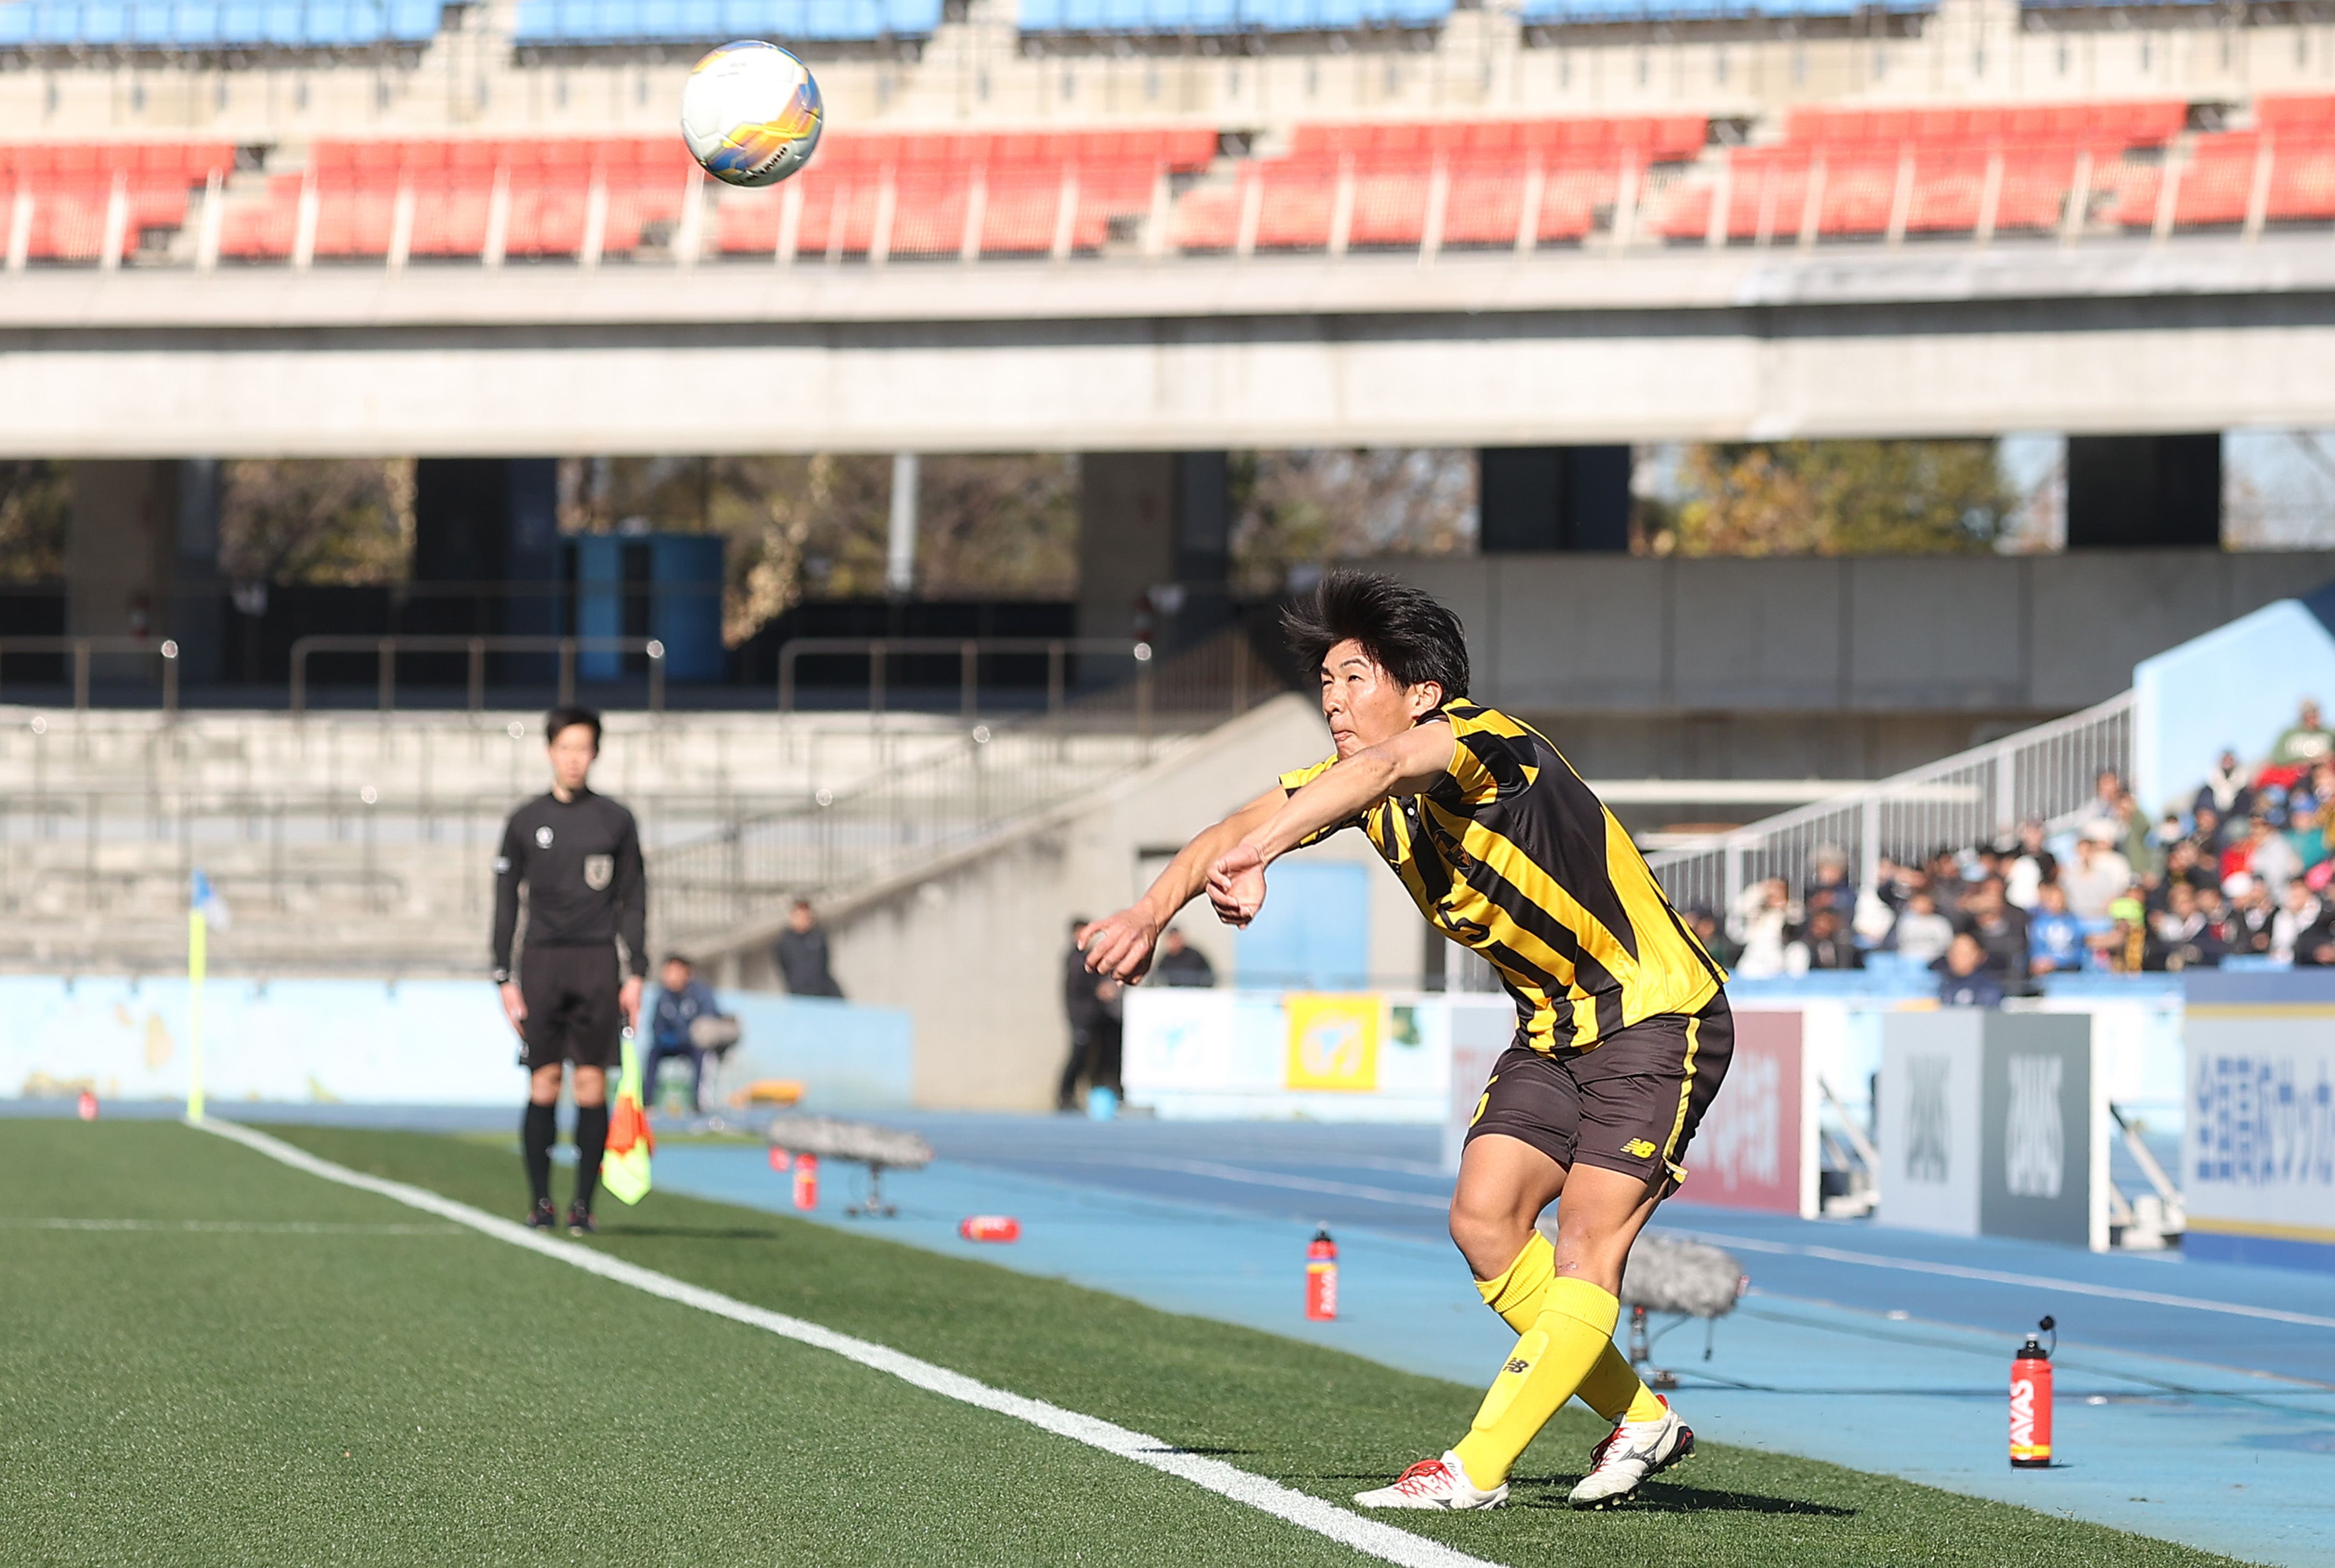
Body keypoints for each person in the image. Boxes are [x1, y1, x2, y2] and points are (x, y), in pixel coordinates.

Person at [1078, 571, 1731, 1513]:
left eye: (1352, 676)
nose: (1331, 697)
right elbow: (1235, 822)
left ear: (1421, 692)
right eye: (1327, 681)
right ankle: (1642, 1420)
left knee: (1589, 1246)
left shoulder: (1485, 739)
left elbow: (1372, 775)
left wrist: (1260, 856)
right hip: (1551, 1028)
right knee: (1484, 1219)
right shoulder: (1356, 784)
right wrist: (1150, 908)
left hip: (1656, 1014)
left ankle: (1473, 1467)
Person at [492, 705, 647, 1237]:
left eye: (583, 748)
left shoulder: (615, 820)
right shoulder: (525, 820)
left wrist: (636, 969)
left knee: (589, 1084)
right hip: (541, 961)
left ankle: (583, 1204)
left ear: (596, 753)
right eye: (565, 748)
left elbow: (633, 897)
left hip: (597, 961)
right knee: (544, 1079)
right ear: (549, 751)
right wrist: (502, 974)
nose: (574, 758)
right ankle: (540, 1202)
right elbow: (506, 901)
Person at [644, 954, 725, 1115]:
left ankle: (699, 1105)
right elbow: (656, 1025)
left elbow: (709, 1022)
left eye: (675, 972)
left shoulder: (701, 994)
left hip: (694, 1045)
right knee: (653, 1053)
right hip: (672, 1045)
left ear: (687, 973)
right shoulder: (663, 996)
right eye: (668, 972)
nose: (671, 977)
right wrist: (665, 1039)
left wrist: (689, 1036)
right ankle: (647, 1102)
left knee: (702, 1056)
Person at [1057, 916, 1109, 1111]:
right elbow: (1078, 986)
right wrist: (1098, 989)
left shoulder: (1087, 955)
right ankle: (1065, 1094)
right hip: (1080, 1015)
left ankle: (1078, 1095)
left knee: (1091, 1056)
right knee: (1078, 1055)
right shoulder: (1076, 958)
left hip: (1091, 1014)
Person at [773, 899, 843, 998]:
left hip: (822, 993)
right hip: (800, 996)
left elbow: (825, 963)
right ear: (792, 917)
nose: (803, 920)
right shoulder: (784, 942)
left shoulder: (818, 937)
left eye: (806, 917)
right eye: (799, 916)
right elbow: (784, 968)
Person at [2060, 824, 2132, 919]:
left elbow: (2118, 890)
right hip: (2079, 916)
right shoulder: (2071, 870)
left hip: (2105, 913)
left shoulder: (2115, 864)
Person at [2026, 882, 2085, 977]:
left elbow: (2078, 951)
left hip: (2068, 970)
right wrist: (2039, 961)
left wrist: (2056, 962)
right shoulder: (2037, 923)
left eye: (2059, 900)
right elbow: (2034, 948)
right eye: (2051, 900)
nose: (2056, 904)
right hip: (2042, 971)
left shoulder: (2074, 923)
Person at [1937, 932, 2004, 1008]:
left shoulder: (1988, 989)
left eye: (1963, 954)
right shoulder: (1941, 985)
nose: (1957, 958)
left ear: (1980, 955)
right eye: (1954, 953)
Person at [1890, 889, 1954, 967]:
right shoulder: (1904, 922)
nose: (1922, 905)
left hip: (1934, 964)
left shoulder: (1941, 923)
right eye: (1919, 902)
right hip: (1907, 962)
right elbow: (1897, 942)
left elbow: (1947, 945)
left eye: (1925, 902)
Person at [2274, 700, 2335, 768]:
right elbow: (2278, 758)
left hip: (2323, 773)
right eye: (2310, 714)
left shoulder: (2329, 734)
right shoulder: (2289, 735)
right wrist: (2307, 761)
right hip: (2296, 773)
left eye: (2315, 713)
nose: (2313, 717)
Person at [1151, 926, 1217, 986]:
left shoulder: (1195, 956)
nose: (1175, 943)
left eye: (1176, 939)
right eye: (1172, 940)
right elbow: (1155, 977)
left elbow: (1209, 975)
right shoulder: (1165, 960)